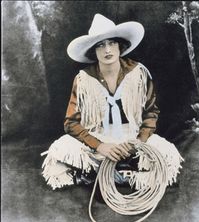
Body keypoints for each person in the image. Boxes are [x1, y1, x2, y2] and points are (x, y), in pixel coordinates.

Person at [41, 14, 183, 190]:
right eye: (100, 45)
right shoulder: (83, 79)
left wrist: (139, 141)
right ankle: (115, 172)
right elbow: (70, 123)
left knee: (169, 156)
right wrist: (100, 146)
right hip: (97, 135)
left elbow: (151, 112)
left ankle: (102, 174)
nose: (107, 50)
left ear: (119, 46)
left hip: (132, 136)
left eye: (111, 43)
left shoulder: (138, 73)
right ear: (93, 50)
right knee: (58, 152)